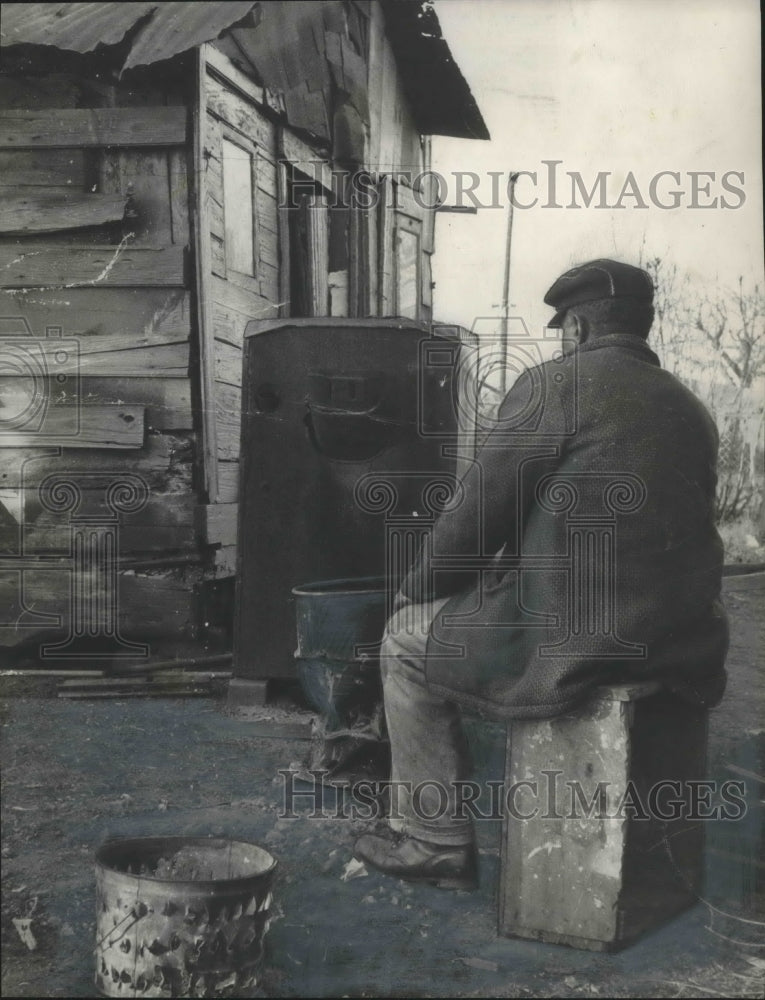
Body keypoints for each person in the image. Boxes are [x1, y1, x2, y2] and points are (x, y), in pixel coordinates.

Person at [353, 257, 729, 889]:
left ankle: (432, 839)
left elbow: (475, 519)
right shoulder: (694, 410)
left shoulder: (555, 386)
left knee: (407, 641)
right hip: (680, 638)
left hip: (577, 642)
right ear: (642, 326)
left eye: (563, 329)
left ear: (576, 329)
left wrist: (414, 590)